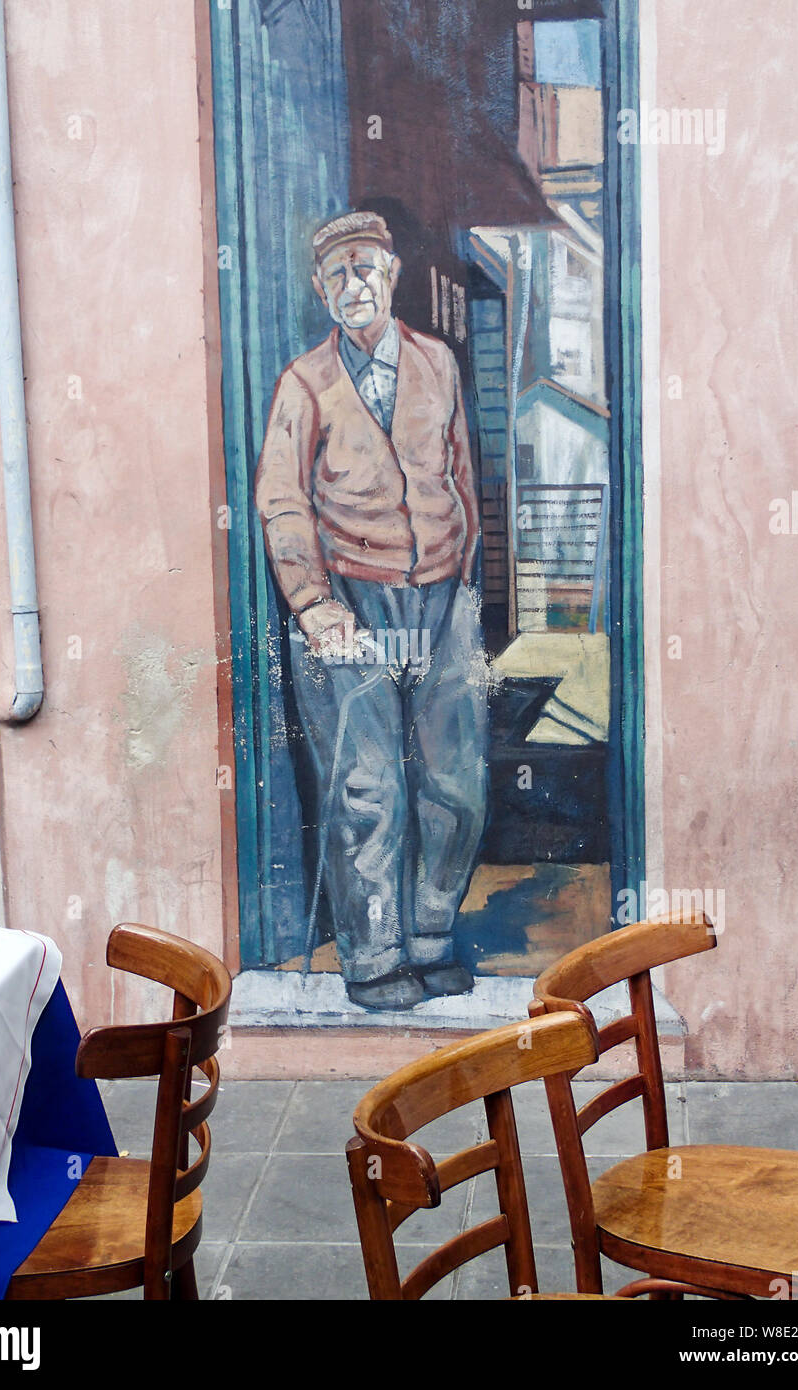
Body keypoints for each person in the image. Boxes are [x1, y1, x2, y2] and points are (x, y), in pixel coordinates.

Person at [254, 211, 487, 1011]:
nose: (353, 287)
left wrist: (466, 580)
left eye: (366, 271)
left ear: (390, 276)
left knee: (456, 779)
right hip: (348, 596)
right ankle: (377, 954)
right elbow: (281, 500)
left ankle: (430, 937)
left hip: (442, 595)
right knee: (365, 789)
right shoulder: (302, 383)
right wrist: (313, 604)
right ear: (321, 290)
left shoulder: (439, 363)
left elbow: (460, 471)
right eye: (337, 276)